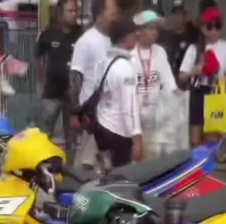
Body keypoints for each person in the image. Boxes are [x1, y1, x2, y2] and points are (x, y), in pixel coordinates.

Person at [69, 0, 117, 169]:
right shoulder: (86, 41)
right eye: (112, 12)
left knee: (106, 165)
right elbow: (75, 75)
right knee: (85, 164)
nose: (115, 16)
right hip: (91, 115)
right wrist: (74, 112)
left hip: (111, 115)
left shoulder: (114, 40)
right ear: (100, 13)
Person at [179, 5, 226, 147]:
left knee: (213, 137)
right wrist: (194, 71)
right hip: (198, 92)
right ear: (202, 28)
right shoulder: (194, 49)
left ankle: (210, 160)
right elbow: (181, 77)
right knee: (195, 139)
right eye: (210, 27)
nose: (214, 31)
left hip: (217, 92)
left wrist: (219, 80)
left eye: (218, 26)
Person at [93, 17, 143, 169]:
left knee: (107, 173)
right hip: (118, 132)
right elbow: (129, 107)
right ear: (125, 37)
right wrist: (136, 137)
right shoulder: (125, 67)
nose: (137, 37)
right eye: (134, 34)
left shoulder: (103, 62)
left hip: (102, 125)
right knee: (122, 176)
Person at [35, 0, 81, 164]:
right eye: (70, 11)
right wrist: (41, 81)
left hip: (73, 96)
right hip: (51, 93)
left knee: (72, 138)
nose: (74, 14)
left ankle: (71, 169)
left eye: (76, 11)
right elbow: (37, 58)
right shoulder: (48, 33)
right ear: (61, 12)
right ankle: (41, 165)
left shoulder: (81, 34)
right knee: (45, 134)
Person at [132, 10, 178, 158]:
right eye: (150, 28)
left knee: (153, 157)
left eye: (156, 28)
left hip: (155, 116)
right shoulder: (130, 53)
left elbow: (168, 82)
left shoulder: (160, 52)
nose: (154, 32)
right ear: (139, 31)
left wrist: (175, 104)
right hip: (133, 117)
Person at [161, 0, 198, 80]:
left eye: (180, 14)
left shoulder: (194, 36)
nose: (178, 18)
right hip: (169, 79)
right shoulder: (164, 37)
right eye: (175, 14)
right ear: (171, 16)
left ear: (185, 16)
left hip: (187, 79)